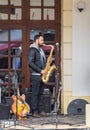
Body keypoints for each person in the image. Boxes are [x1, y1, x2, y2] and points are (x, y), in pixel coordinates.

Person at [27, 34, 53, 117]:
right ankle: (34, 111)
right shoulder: (32, 50)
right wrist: (40, 70)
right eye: (41, 40)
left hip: (41, 74)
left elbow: (42, 62)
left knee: (40, 93)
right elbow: (30, 63)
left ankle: (41, 110)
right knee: (35, 93)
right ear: (36, 40)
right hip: (36, 74)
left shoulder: (40, 50)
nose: (43, 42)